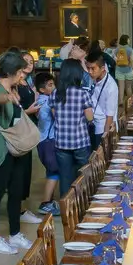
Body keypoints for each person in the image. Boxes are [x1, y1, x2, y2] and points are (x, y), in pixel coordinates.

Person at [0, 50, 35, 254]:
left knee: (16, 190)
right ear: (13, 72)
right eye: (21, 71)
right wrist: (9, 98)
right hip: (1, 149)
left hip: (16, 147)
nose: (23, 75)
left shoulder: (15, 88)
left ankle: (14, 233)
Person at [43, 59, 95, 199]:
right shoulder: (83, 94)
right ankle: (82, 205)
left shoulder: (55, 94)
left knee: (65, 178)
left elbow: (54, 114)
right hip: (80, 142)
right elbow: (90, 117)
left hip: (61, 143)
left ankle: (66, 209)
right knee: (84, 176)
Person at [31, 67, 61, 217]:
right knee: (54, 172)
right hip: (48, 141)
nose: (53, 87)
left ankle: (48, 202)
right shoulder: (47, 103)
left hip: (43, 141)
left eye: (53, 83)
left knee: (52, 172)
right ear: (42, 90)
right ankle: (45, 203)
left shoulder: (40, 100)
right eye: (49, 85)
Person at [85, 48, 119, 153]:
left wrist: (105, 138)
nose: (90, 72)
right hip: (93, 125)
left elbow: (110, 116)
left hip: (103, 128)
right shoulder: (94, 78)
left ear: (103, 68)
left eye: (93, 68)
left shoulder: (111, 87)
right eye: (88, 68)